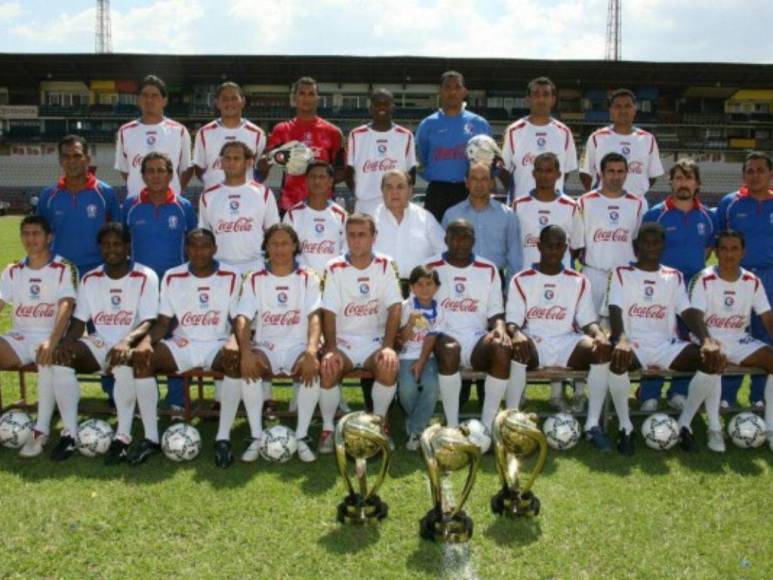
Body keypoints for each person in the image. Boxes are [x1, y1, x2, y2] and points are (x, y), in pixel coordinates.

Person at [607, 223, 723, 455]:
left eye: (656, 242)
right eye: (645, 242)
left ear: (663, 246)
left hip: (666, 345)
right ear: (637, 245)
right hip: (634, 343)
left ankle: (685, 424)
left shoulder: (674, 276)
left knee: (711, 359)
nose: (651, 247)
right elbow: (614, 308)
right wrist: (621, 338)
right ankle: (625, 427)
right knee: (617, 358)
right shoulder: (621, 273)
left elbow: (688, 311)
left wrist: (707, 339)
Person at [131, 229, 240, 466]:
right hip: (184, 344)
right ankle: (151, 437)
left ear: (215, 249)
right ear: (186, 249)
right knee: (143, 359)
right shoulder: (172, 276)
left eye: (204, 246)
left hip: (217, 344)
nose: (199, 252)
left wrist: (234, 340)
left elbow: (238, 320)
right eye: (193, 246)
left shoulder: (232, 275)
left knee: (235, 361)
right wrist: (146, 342)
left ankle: (223, 438)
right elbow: (163, 323)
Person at [54, 223, 159, 464]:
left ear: (127, 247)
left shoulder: (145, 275)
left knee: (122, 365)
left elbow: (149, 320)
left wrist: (126, 342)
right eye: (106, 245)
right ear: (99, 248)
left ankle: (122, 437)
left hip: (130, 342)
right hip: (100, 341)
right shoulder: (90, 278)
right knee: (62, 361)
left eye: (117, 244)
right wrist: (67, 342)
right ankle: (69, 434)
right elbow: (79, 320)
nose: (111, 249)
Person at [506, 225, 613, 451]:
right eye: (548, 245)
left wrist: (599, 335)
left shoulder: (578, 280)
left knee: (601, 349)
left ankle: (592, 425)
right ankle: (512, 421)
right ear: (538, 246)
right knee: (518, 348)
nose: (553, 251)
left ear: (566, 248)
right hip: (534, 341)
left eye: (558, 246)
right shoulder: (521, 279)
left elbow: (587, 321)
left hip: (567, 341)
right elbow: (512, 322)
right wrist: (516, 334)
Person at [234, 224, 322, 463]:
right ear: (266, 247)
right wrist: (246, 352)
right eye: (274, 243)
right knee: (249, 368)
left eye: (285, 243)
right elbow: (242, 318)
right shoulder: (254, 278)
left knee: (312, 367)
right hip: (268, 346)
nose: (280, 248)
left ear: (294, 246)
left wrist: (311, 351)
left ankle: (302, 436)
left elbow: (315, 317)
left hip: (298, 345)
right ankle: (255, 436)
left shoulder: (308, 277)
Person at [319, 213, 402, 453]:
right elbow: (329, 310)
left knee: (388, 364)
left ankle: (379, 425)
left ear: (374, 237)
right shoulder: (334, 267)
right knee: (329, 366)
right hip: (344, 341)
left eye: (362, 235)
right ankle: (327, 429)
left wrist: (387, 346)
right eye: (351, 235)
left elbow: (395, 306)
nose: (356, 241)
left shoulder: (386, 264)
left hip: (373, 341)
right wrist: (332, 349)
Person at [124, 152, 197, 416]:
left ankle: (176, 400)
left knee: (174, 340)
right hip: (140, 289)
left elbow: (194, 244)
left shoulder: (183, 207)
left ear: (170, 175)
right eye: (150, 171)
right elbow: (121, 244)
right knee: (141, 340)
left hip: (175, 288)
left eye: (161, 170)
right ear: (142, 175)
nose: (155, 175)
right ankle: (143, 398)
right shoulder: (131, 206)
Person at [686, 231, 773, 452]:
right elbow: (694, 315)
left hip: (738, 338)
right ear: (715, 252)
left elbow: (767, 318)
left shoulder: (752, 281)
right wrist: (707, 341)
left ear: (743, 253)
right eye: (723, 249)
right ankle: (714, 428)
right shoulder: (703, 278)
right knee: (717, 357)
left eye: (734, 249)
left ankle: (771, 427)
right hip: (706, 337)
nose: (729, 254)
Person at [0, 216, 77, 459]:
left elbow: (67, 304)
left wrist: (53, 340)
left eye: (36, 233)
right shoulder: (13, 270)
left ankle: (41, 430)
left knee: (48, 357)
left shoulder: (63, 267)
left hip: (50, 335)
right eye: (26, 233)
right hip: (20, 337)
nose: (30, 239)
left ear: (49, 237)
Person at [641, 159, 715, 412]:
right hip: (660, 288)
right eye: (679, 178)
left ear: (697, 184)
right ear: (671, 182)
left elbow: (706, 249)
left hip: (693, 290)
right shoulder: (655, 213)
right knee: (657, 337)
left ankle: (679, 391)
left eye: (689, 178)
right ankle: (649, 393)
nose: (684, 183)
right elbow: (644, 248)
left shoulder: (706, 215)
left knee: (689, 338)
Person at [426, 219, 512, 432]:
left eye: (466, 237)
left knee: (501, 347)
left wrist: (500, 330)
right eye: (455, 236)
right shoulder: (429, 267)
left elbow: (496, 314)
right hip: (442, 336)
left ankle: (488, 426)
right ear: (446, 239)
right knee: (449, 349)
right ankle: (452, 426)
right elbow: (419, 309)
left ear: (474, 240)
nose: (461, 242)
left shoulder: (488, 268)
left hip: (475, 338)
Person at [717, 151, 773, 410]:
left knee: (765, 336)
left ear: (770, 174)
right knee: (734, 332)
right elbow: (715, 242)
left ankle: (758, 396)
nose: (755, 175)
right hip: (736, 278)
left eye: (760, 170)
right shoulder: (730, 203)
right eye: (750, 170)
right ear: (743, 175)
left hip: (770, 277)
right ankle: (727, 395)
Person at [36, 135, 122, 276]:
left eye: (77, 156)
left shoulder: (105, 193)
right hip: (59, 272)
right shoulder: (48, 196)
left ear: (87, 160)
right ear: (60, 161)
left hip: (98, 271)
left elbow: (119, 234)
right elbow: (40, 236)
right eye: (66, 156)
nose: (71, 161)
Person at [416, 71, 491, 223]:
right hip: (437, 190)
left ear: (464, 91)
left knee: (468, 239)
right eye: (447, 87)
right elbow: (421, 158)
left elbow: (490, 161)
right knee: (435, 242)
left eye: (457, 87)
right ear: (440, 91)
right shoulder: (427, 125)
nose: (452, 92)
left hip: (468, 191)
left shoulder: (479, 123)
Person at [260, 77, 344, 212]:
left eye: (311, 94)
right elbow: (262, 168)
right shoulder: (282, 130)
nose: (306, 98)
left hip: (323, 207)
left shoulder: (332, 132)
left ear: (318, 99)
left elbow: (341, 171)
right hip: (289, 206)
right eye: (302, 94)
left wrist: (321, 181)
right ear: (294, 98)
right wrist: (274, 156)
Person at [578, 152, 645, 315]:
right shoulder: (584, 202)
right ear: (601, 174)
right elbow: (576, 241)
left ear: (627, 173)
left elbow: (639, 243)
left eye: (620, 171)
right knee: (589, 326)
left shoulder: (638, 204)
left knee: (623, 328)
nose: (616, 176)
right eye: (611, 171)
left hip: (625, 276)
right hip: (593, 273)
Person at [198, 141, 279, 276]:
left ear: (248, 163)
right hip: (220, 267)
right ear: (221, 162)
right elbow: (205, 235)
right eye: (227, 158)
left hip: (255, 266)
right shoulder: (208, 196)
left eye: (236, 158)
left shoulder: (263, 192)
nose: (231, 162)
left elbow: (273, 231)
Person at [115, 74, 192, 198]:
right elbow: (124, 170)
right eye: (144, 95)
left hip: (170, 203)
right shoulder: (125, 131)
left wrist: (175, 191)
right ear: (138, 100)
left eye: (154, 96)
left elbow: (187, 168)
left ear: (164, 100)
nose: (149, 100)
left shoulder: (179, 130)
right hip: (137, 202)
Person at [501, 77, 577, 201]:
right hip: (521, 207)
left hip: (554, 207)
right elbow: (504, 170)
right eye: (536, 94)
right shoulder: (514, 131)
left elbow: (565, 172)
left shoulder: (564, 132)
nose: (541, 99)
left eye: (546, 95)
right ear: (528, 99)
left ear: (553, 100)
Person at [443, 161, 522, 280]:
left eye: (484, 179)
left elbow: (514, 257)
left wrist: (510, 290)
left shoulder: (508, 215)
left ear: (491, 183)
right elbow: (443, 252)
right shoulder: (451, 214)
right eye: (474, 179)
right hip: (459, 278)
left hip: (495, 279)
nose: (479, 184)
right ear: (467, 182)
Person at [580, 88, 664, 197]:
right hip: (603, 204)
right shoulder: (596, 138)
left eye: (628, 106)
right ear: (610, 110)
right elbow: (584, 172)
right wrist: (597, 197)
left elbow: (653, 176)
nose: (623, 111)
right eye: (618, 106)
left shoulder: (648, 139)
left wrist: (637, 193)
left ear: (635, 109)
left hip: (636, 206)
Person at [346, 89, 417, 216]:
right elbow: (349, 170)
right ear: (370, 108)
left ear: (393, 107)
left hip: (395, 203)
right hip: (365, 203)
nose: (382, 107)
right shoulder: (356, 134)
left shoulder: (406, 135)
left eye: (386, 103)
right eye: (377, 104)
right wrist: (359, 193)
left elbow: (411, 172)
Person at [373, 169, 446, 289]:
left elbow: (443, 253)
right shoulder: (370, 220)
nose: (394, 192)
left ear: (410, 191)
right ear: (382, 191)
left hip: (419, 292)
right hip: (381, 290)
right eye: (389, 187)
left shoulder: (426, 219)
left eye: (400, 187)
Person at [398, 266, 444, 451]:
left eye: (429, 284)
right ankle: (419, 421)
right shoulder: (404, 307)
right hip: (406, 355)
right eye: (420, 285)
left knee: (432, 387)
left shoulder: (439, 310)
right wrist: (410, 323)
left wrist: (421, 362)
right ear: (411, 287)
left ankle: (415, 430)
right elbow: (401, 339)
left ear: (436, 287)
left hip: (428, 356)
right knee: (407, 389)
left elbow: (431, 338)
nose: (424, 289)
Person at [512, 152, 583, 271]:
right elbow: (512, 245)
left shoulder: (571, 206)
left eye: (549, 171)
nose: (544, 175)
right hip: (526, 275)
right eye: (539, 170)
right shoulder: (518, 205)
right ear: (533, 174)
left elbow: (576, 246)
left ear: (558, 174)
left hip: (561, 277)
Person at [193, 81, 267, 190]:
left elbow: (261, 169)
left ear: (243, 102)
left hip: (246, 196)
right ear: (217, 103)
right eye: (225, 99)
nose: (230, 103)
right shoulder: (204, 133)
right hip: (214, 197)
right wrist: (213, 183)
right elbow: (199, 168)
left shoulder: (257, 133)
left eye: (234, 98)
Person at [283, 161, 347, 275]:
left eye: (322, 177)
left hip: (332, 281)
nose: (317, 181)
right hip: (302, 281)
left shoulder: (341, 215)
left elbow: (346, 251)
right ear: (306, 181)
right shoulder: (293, 214)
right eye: (313, 177)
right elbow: (286, 252)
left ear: (330, 182)